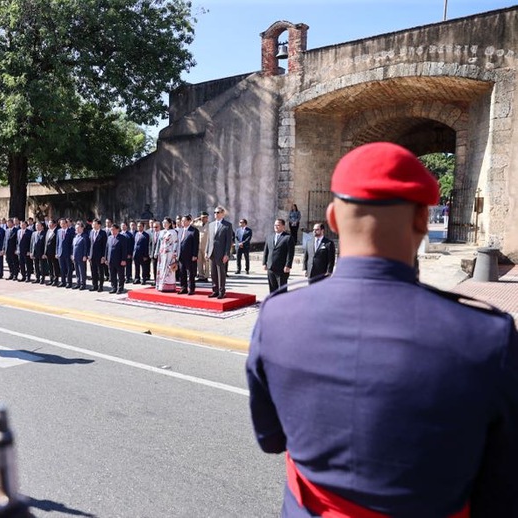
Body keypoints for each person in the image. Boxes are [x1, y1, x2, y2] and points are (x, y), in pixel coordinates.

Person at [246, 142, 518, 517]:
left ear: (333, 219)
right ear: (422, 220)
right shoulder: (487, 336)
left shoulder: (277, 316)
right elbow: (503, 486)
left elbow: (271, 438)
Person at [205, 206, 232, 299]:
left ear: (222, 214)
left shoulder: (227, 225)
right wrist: (206, 251)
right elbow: (209, 239)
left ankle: (222, 291)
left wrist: (226, 254)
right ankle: (215, 290)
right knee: (213, 273)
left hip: (221, 253)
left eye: (218, 212)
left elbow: (228, 241)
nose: (216, 214)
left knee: (221, 273)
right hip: (212, 252)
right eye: (215, 212)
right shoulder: (211, 225)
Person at [262, 218, 294, 292]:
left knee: (282, 290)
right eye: (275, 225)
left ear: (283, 226)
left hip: (282, 268)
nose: (276, 227)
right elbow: (266, 251)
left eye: (278, 225)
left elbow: (290, 253)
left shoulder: (288, 238)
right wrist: (264, 263)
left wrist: (288, 265)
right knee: (272, 290)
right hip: (271, 267)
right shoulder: (269, 237)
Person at [155, 217, 179, 292]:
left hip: (170, 254)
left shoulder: (173, 232)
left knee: (169, 269)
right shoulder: (161, 232)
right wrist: (157, 252)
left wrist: (175, 254)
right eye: (163, 223)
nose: (164, 224)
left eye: (166, 223)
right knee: (161, 269)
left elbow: (176, 243)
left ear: (169, 224)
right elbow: (159, 243)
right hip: (162, 253)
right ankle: (160, 285)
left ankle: (169, 287)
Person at [177, 215, 199, 295]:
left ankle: (191, 289)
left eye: (184, 221)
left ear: (189, 221)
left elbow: (196, 244)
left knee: (191, 273)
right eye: (182, 221)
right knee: (182, 272)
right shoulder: (180, 230)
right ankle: (183, 287)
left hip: (190, 255)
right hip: (181, 255)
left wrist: (195, 255)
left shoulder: (194, 230)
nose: (183, 222)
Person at [105, 224, 130, 294]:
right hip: (111, 260)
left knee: (120, 275)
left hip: (119, 260)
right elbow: (107, 249)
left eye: (113, 229)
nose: (112, 231)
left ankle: (120, 288)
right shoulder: (109, 237)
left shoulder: (122, 238)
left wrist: (123, 260)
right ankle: (114, 287)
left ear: (117, 230)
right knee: (112, 274)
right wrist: (106, 258)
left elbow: (124, 250)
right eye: (111, 230)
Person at [88, 219, 107, 292]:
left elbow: (105, 246)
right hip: (92, 255)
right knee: (93, 271)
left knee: (100, 272)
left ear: (99, 225)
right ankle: (94, 285)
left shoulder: (103, 233)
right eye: (93, 224)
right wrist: (89, 254)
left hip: (100, 256)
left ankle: (100, 286)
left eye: (95, 224)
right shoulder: (91, 232)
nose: (93, 225)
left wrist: (103, 256)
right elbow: (89, 244)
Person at [71, 221, 90, 290]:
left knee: (82, 271)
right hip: (75, 256)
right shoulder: (75, 236)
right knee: (77, 271)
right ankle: (78, 283)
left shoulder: (85, 236)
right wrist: (72, 254)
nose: (77, 229)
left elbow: (86, 246)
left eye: (78, 228)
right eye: (76, 228)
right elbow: (73, 246)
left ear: (82, 228)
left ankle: (83, 284)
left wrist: (85, 255)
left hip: (82, 256)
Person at [56, 218, 75, 288]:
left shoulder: (71, 231)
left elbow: (72, 244)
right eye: (61, 223)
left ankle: (69, 282)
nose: (63, 225)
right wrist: (57, 252)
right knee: (62, 268)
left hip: (68, 253)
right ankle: (63, 282)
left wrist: (72, 253)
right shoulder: (58, 231)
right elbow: (57, 243)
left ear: (67, 223)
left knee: (69, 268)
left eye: (64, 223)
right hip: (60, 253)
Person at [43, 220, 60, 285]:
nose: (49, 225)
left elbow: (57, 243)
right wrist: (45, 252)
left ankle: (56, 280)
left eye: (50, 224)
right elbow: (46, 243)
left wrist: (56, 252)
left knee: (55, 266)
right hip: (48, 253)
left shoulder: (57, 231)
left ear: (54, 224)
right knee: (50, 266)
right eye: (48, 224)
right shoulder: (48, 231)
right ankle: (51, 279)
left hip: (54, 253)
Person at [195, 211, 210, 282]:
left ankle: (206, 276)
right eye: (202, 217)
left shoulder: (210, 225)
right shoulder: (198, 224)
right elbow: (191, 224)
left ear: (207, 218)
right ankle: (201, 276)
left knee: (206, 262)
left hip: (206, 245)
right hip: (199, 245)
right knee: (199, 261)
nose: (203, 219)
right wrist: (197, 219)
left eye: (204, 217)